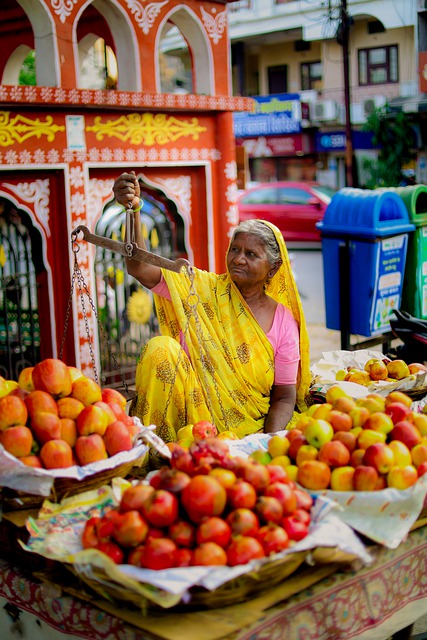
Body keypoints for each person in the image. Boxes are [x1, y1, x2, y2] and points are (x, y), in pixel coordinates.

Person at [113, 172, 311, 442]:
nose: (239, 259)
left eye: (251, 254)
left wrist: (267, 443)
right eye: (235, 250)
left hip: (247, 433)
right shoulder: (201, 288)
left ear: (273, 268)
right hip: (190, 426)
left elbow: (285, 396)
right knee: (161, 349)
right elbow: (140, 267)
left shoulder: (283, 322)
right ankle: (158, 449)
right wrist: (133, 211)